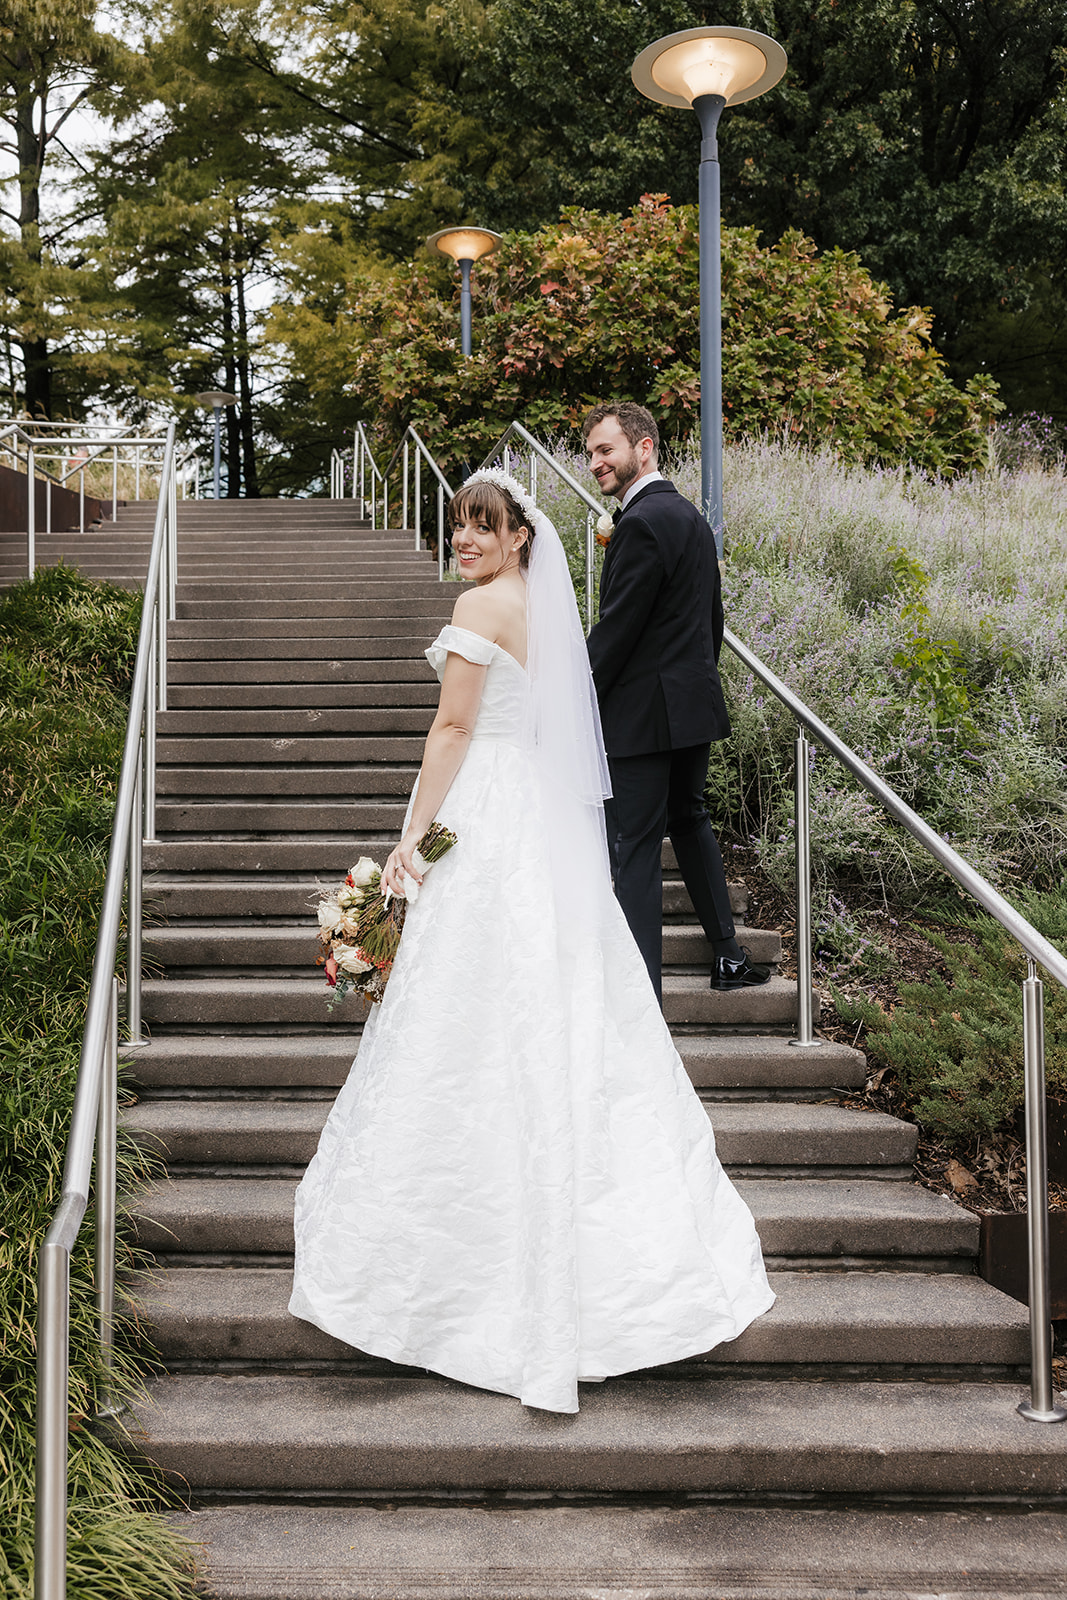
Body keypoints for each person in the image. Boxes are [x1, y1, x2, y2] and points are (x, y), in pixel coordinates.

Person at [289, 468, 774, 1415]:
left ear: (519, 538)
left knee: (464, 1026)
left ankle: (449, 1293)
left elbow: (454, 727)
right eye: (459, 525)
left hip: (482, 820)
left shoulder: (480, 607)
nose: (466, 539)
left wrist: (408, 839)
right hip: (538, 831)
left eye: (484, 526)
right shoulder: (539, 612)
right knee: (555, 1019)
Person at [583, 401, 771, 1003]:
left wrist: (576, 695)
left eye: (606, 450)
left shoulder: (639, 523)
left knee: (634, 846)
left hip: (641, 717)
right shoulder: (689, 516)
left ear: (643, 448)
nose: (595, 463)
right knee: (689, 820)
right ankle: (728, 955)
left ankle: (641, 999)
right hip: (690, 707)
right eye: (590, 453)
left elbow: (617, 630)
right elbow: (711, 620)